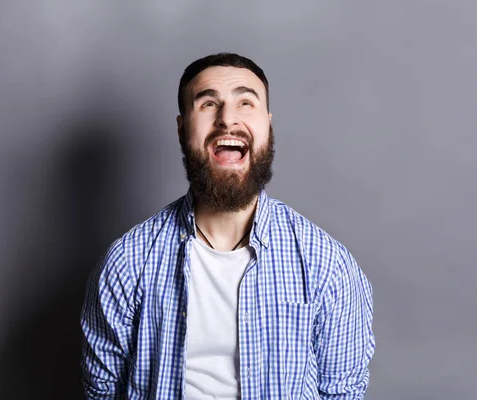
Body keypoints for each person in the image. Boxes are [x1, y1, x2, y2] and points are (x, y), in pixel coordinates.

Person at [80, 52, 375, 399]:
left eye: (245, 102)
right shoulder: (127, 263)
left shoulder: (327, 265)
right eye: (207, 104)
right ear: (181, 128)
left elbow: (343, 393)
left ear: (267, 124)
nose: (227, 120)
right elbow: (102, 391)